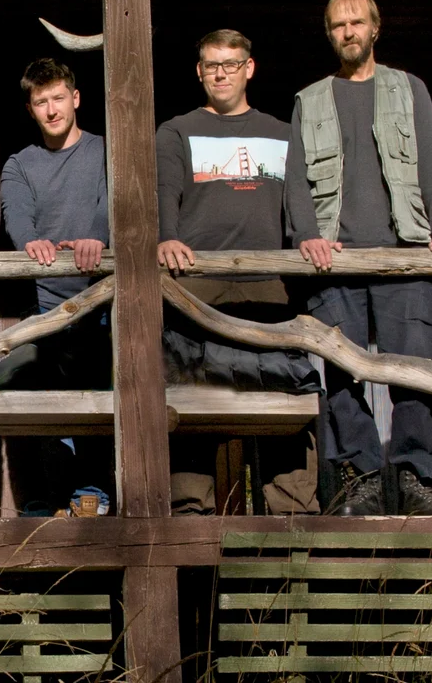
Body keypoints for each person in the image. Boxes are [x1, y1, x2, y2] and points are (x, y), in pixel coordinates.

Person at [284, 0, 432, 516]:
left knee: (413, 368)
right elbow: (296, 180)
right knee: (340, 373)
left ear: (375, 27)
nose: (348, 31)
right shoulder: (310, 98)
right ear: (330, 34)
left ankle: (419, 479)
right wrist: (305, 235)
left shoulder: (409, 89)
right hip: (334, 257)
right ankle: (359, 478)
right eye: (338, 24)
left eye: (357, 22)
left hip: (406, 252)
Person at [156, 29, 321, 516]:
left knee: (281, 401)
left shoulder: (280, 132)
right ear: (199, 71)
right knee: (189, 404)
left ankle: (292, 522)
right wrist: (167, 235)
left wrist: (308, 236)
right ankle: (190, 521)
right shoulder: (176, 131)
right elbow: (165, 192)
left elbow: (299, 203)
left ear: (249, 68)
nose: (221, 73)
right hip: (195, 288)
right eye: (211, 65)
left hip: (269, 290)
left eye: (230, 64)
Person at [0, 58, 111, 516]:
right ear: (30, 108)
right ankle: (47, 499)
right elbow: (17, 217)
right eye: (40, 102)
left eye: (58, 98)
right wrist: (32, 242)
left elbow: (119, 203)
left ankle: (93, 497)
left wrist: (97, 238)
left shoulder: (106, 150)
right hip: (42, 303)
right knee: (44, 406)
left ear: (76, 98)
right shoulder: (20, 163)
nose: (51, 109)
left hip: (102, 301)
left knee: (98, 401)